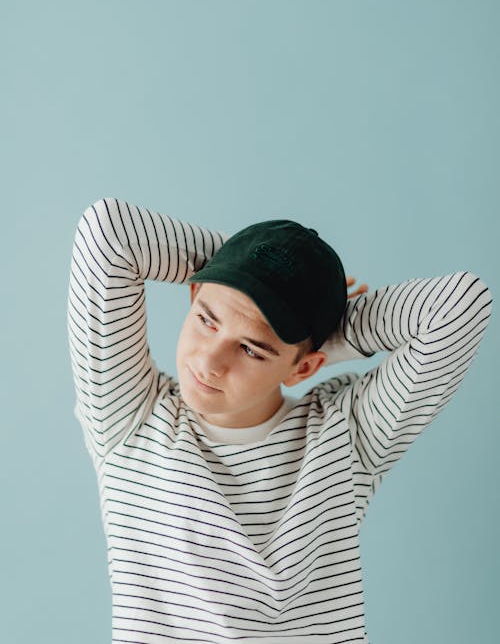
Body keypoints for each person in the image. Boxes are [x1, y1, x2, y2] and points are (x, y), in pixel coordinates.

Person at [67, 198, 492, 644]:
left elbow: (460, 307)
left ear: (305, 368)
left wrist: (323, 324)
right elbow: (108, 232)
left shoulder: (344, 437)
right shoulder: (128, 417)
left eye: (251, 349)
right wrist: (249, 267)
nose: (209, 362)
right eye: (207, 320)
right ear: (194, 295)